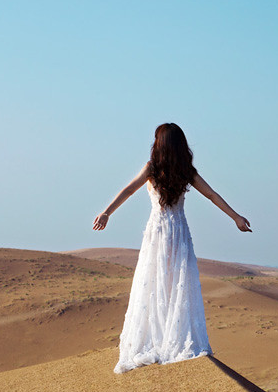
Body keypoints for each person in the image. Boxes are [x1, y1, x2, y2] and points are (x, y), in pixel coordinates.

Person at [92, 123, 252, 373]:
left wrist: (107, 212)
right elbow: (212, 195)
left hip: (158, 233)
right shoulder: (185, 171)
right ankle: (170, 339)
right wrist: (235, 217)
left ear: (159, 144)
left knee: (157, 283)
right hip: (177, 233)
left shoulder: (152, 168)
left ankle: (161, 339)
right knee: (175, 284)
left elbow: (128, 190)